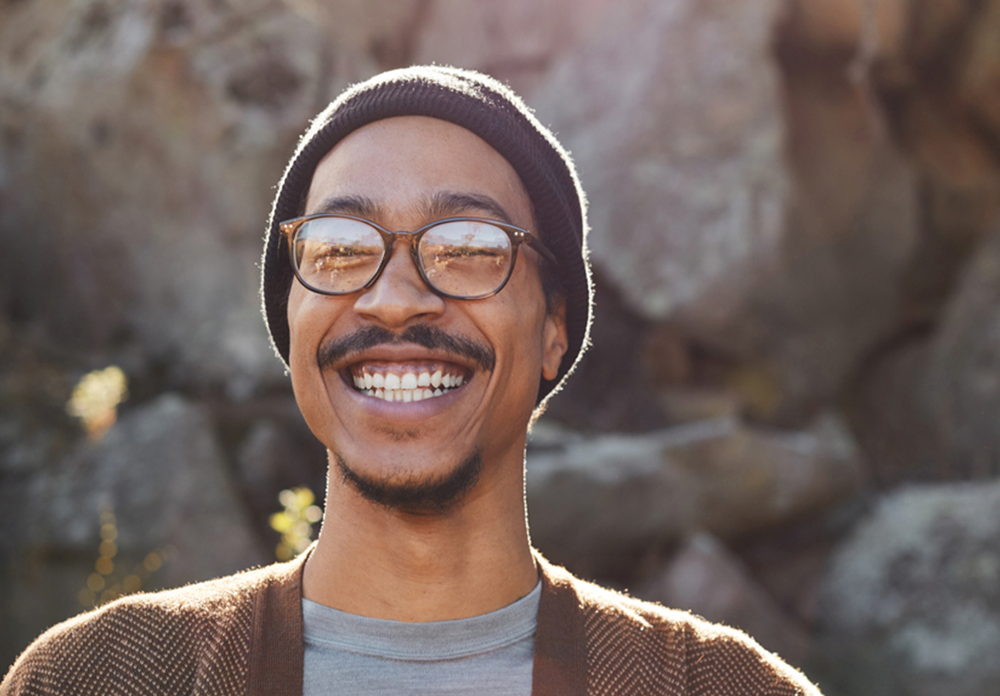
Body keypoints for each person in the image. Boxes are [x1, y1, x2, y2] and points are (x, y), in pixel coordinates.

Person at [2, 65, 821, 695]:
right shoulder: (102, 679)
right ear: (290, 324)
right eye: (340, 250)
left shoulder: (718, 687)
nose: (393, 298)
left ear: (554, 328)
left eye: (467, 247)